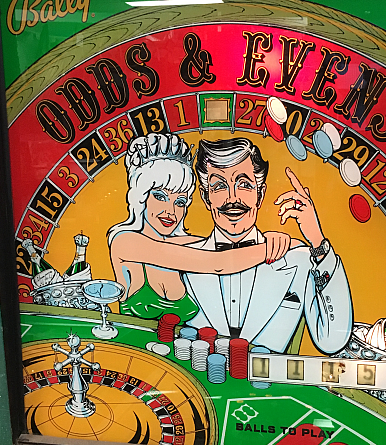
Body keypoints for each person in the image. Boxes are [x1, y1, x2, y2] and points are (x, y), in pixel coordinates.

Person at [183, 137, 353, 354]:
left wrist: (317, 240)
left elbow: (332, 340)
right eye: (219, 186)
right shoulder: (186, 260)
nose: (232, 198)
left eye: (244, 185)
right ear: (206, 197)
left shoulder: (297, 259)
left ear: (260, 194)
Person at [108, 133, 291, 323]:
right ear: (141, 197)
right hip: (133, 343)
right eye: (160, 197)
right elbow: (218, 263)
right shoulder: (125, 242)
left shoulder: (186, 244)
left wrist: (278, 241)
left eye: (180, 202)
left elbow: (230, 246)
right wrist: (267, 249)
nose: (170, 211)